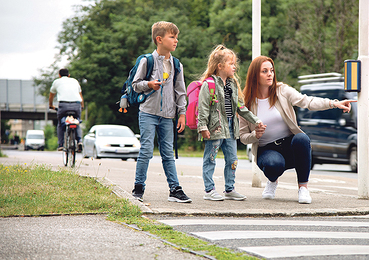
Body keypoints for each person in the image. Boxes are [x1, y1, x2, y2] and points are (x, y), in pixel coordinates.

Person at [239, 56, 355, 204]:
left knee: (302, 138)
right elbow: (243, 136)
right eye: (265, 71)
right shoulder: (246, 103)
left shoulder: (282, 90)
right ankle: (272, 181)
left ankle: (303, 188)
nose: (270, 74)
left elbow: (307, 101)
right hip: (267, 149)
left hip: (289, 144)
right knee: (273, 165)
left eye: (272, 70)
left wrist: (334, 103)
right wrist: (255, 134)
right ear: (255, 75)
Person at [131, 21, 191, 203]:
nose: (176, 41)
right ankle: (138, 188)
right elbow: (135, 85)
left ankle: (175, 189)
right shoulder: (146, 60)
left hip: (168, 115)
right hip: (148, 112)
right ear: (159, 39)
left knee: (168, 153)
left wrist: (182, 113)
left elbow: (181, 91)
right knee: (146, 151)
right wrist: (148, 84)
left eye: (176, 37)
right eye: (172, 37)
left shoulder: (177, 64)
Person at [197, 45, 264, 201]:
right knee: (210, 159)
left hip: (231, 128)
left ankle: (229, 189)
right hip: (214, 127)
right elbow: (203, 108)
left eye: (235, 64)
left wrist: (256, 120)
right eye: (231, 64)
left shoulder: (232, 85)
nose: (235, 67)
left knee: (232, 160)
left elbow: (241, 108)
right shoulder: (209, 84)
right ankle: (209, 190)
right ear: (220, 66)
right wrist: (202, 127)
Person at [49, 68, 84, 152]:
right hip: (76, 104)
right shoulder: (75, 81)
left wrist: (51, 105)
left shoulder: (57, 82)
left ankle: (61, 144)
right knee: (77, 122)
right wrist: (81, 106)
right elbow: (80, 95)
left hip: (63, 105)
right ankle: (79, 141)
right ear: (69, 75)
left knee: (60, 123)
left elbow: (51, 96)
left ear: (59, 75)